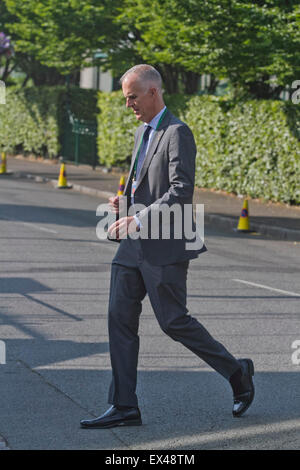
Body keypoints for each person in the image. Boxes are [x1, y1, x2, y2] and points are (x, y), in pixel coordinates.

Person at [80, 64, 255, 429]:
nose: (128, 104)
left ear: (153, 92)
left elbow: (179, 192)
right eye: (126, 98)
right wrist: (124, 205)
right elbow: (143, 187)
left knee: (174, 322)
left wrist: (139, 218)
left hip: (166, 244)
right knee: (118, 318)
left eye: (132, 97)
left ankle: (237, 372)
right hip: (133, 246)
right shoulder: (141, 133)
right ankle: (124, 405)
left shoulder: (178, 132)